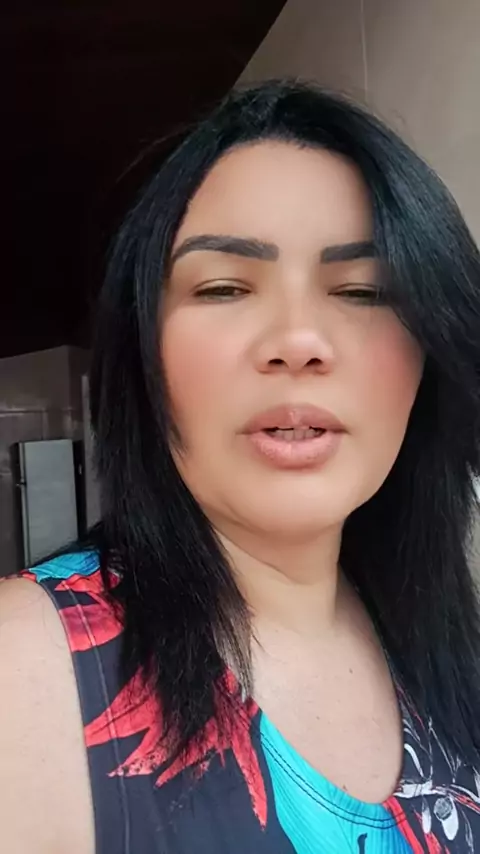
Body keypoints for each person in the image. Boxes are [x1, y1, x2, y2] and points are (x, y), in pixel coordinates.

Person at [1, 79, 480, 854]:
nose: (298, 341)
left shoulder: (439, 640)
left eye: (363, 291)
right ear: (143, 355)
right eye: (224, 287)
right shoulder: (26, 668)